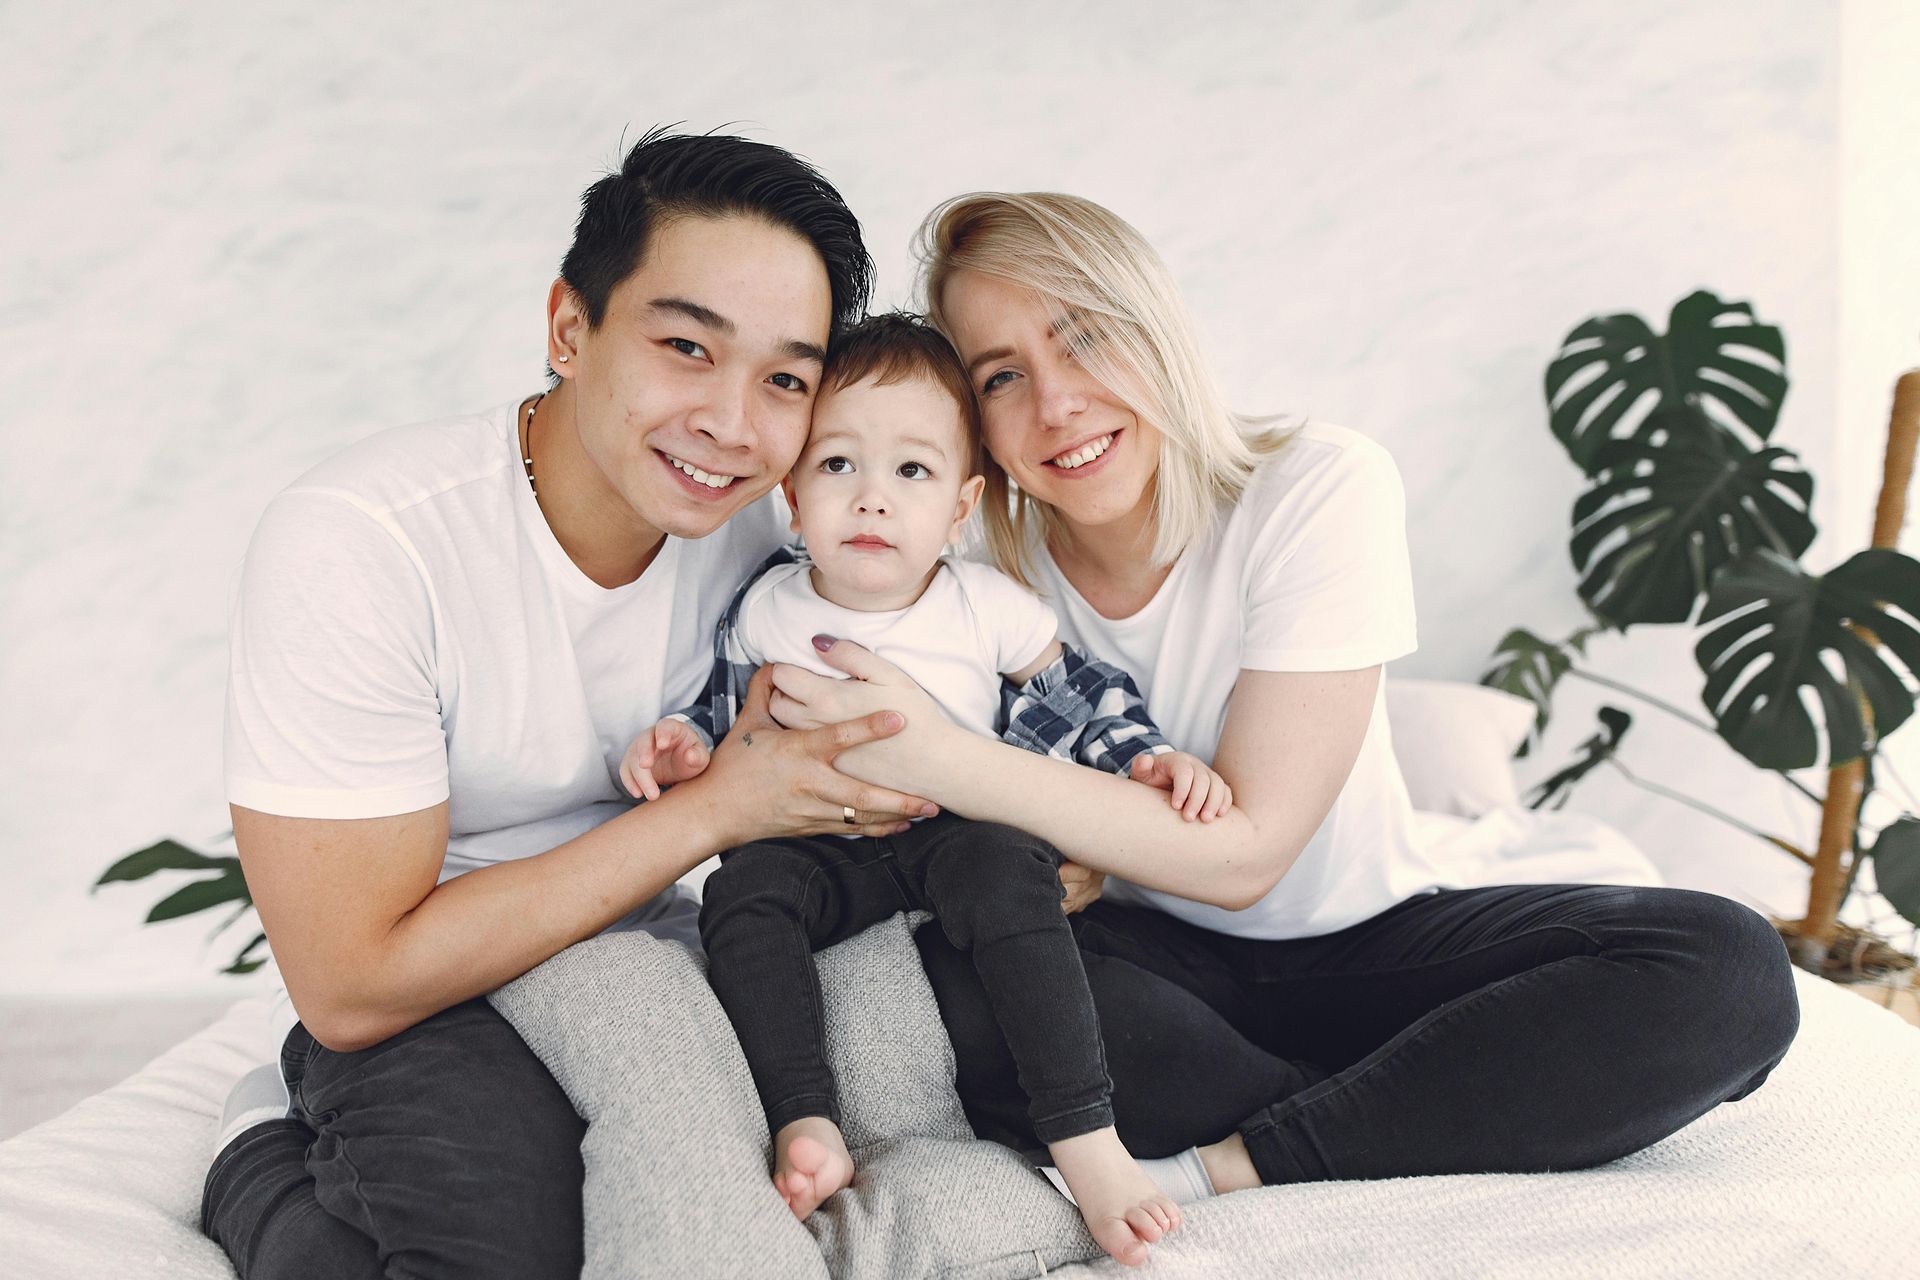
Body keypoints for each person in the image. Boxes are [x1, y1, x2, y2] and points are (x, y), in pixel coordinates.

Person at [759, 190, 1804, 1195]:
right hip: (1139, 965)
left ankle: (1243, 1159)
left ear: (1158, 333)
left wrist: (949, 758)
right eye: (1001, 377)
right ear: (975, 428)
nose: (1057, 402)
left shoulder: (1316, 486)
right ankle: (1417, 1099)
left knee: (1727, 970)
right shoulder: (958, 571)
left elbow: (1245, 854)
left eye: (1087, 338)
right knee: (953, 981)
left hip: (1371, 943)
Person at [198, 129, 940, 1280]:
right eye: (687, 347)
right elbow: (351, 982)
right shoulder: (364, 542)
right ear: (568, 328)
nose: (732, 423)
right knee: (509, 1249)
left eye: (785, 379)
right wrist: (713, 809)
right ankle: (257, 1150)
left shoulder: (790, 529)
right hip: (435, 988)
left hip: (667, 964)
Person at [625, 312, 1228, 1265]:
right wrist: (681, 746)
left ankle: (1085, 1135)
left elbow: (1082, 699)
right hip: (817, 845)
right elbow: (724, 718)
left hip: (952, 836)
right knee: (742, 896)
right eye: (838, 465)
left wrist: (1144, 758)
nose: (872, 498)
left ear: (959, 506)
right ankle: (803, 1117)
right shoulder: (766, 606)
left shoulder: (985, 606)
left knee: (1008, 872)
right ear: (792, 496)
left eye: (912, 470)